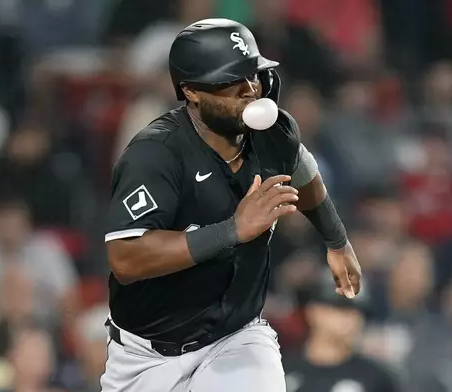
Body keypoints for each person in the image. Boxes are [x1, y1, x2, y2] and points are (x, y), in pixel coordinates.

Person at [102, 18, 362, 392]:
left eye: (253, 75)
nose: (250, 89)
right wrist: (232, 231)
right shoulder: (155, 155)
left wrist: (337, 241)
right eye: (230, 81)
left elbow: (304, 173)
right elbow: (125, 259)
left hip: (236, 340)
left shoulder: (274, 133)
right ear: (191, 91)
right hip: (146, 357)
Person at [283, 274, 400, 392]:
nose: (353, 320)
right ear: (313, 311)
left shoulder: (377, 378)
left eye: (358, 312)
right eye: (342, 309)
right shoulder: (280, 369)